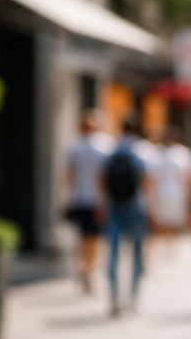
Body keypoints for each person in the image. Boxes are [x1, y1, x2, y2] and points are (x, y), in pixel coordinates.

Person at [103, 118, 152, 316]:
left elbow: (102, 179)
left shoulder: (112, 151)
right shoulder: (140, 151)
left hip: (115, 206)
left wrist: (104, 204)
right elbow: (147, 181)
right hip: (136, 207)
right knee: (137, 253)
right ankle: (134, 297)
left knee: (113, 252)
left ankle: (114, 297)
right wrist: (152, 207)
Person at [62, 110, 114, 293]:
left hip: (81, 198)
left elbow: (69, 176)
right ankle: (88, 271)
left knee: (84, 237)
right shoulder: (106, 145)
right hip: (97, 200)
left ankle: (85, 269)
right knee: (95, 238)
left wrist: (67, 198)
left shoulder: (74, 146)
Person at [153, 126, 191, 251]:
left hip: (173, 193)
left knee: (172, 221)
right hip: (167, 193)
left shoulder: (180, 152)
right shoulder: (181, 152)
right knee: (163, 221)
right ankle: (165, 246)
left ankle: (169, 246)